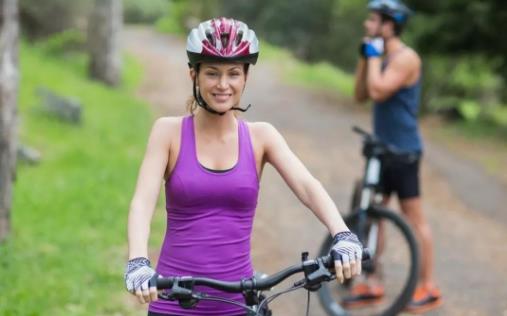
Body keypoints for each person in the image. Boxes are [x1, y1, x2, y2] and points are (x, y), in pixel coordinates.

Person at [124, 17, 364, 316]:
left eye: (233, 74)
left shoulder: (261, 136)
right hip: (174, 301)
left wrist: (342, 233)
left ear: (245, 78)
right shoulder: (168, 132)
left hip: (238, 302)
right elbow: (142, 203)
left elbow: (307, 185)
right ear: (194, 75)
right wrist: (137, 260)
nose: (223, 85)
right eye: (212, 73)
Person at [347, 0, 442, 313]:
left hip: (403, 152)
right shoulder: (382, 56)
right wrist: (366, 59)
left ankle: (428, 287)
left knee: (414, 219)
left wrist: (374, 56)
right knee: (376, 216)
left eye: (373, 20)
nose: (366, 25)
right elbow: (360, 94)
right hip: (382, 149)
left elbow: (378, 91)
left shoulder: (406, 58)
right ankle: (372, 283)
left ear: (389, 26)